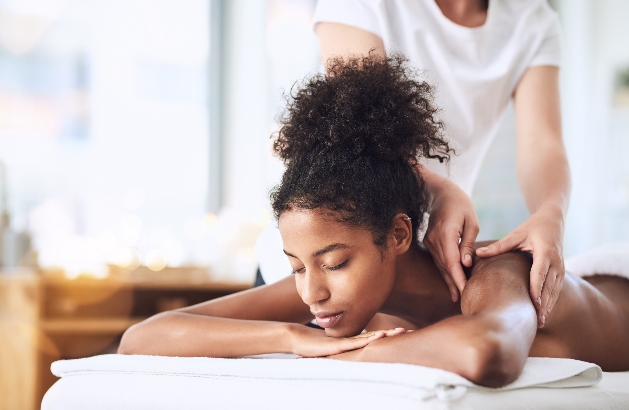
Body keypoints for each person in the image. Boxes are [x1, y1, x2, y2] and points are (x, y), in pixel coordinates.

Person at [119, 56, 629, 387]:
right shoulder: (337, 294)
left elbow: (486, 352)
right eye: (296, 267)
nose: (309, 294)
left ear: (400, 234)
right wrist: (290, 339)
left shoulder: (500, 272)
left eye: (334, 263)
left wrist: (343, 357)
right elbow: (145, 338)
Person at [254, 0, 570, 329]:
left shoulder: (531, 17)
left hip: (415, 268)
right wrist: (439, 191)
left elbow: (543, 142)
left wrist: (551, 212)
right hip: (322, 255)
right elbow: (360, 121)